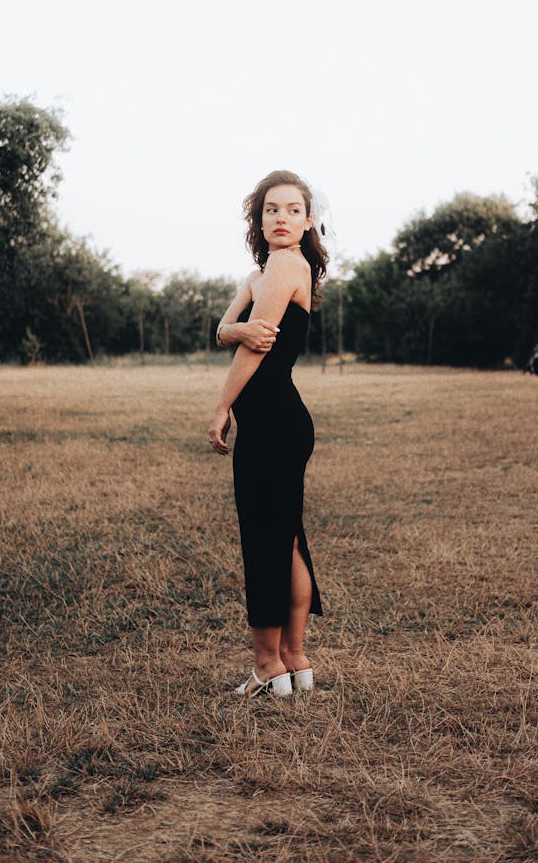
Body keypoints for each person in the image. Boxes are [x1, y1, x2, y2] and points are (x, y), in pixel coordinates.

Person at [208, 170, 327, 698]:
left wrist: (221, 408)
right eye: (270, 210)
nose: (281, 218)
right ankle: (295, 659)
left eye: (291, 210)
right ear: (260, 220)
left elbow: (254, 349)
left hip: (273, 421)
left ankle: (266, 666)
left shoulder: (284, 265)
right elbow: (224, 330)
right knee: (287, 538)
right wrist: (232, 328)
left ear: (307, 221)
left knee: (265, 542)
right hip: (280, 421)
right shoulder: (264, 272)